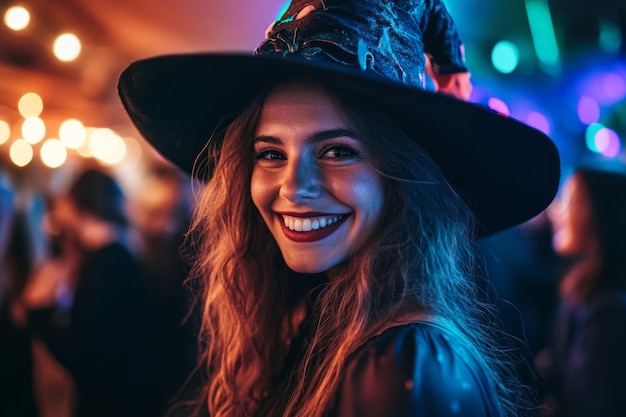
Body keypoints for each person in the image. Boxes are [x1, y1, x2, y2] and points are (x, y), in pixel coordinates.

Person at [117, 1, 561, 416]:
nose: (294, 188)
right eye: (270, 154)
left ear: (402, 175)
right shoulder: (311, 318)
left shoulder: (405, 363)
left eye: (337, 151)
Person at [19, 168, 157, 417]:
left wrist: (37, 311)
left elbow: (80, 351)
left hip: (114, 406)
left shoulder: (108, 262)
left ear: (76, 204)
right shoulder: (118, 255)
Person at [536, 165, 626, 417]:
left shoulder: (609, 316)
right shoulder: (582, 291)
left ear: (599, 214)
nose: (556, 210)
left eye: (571, 201)